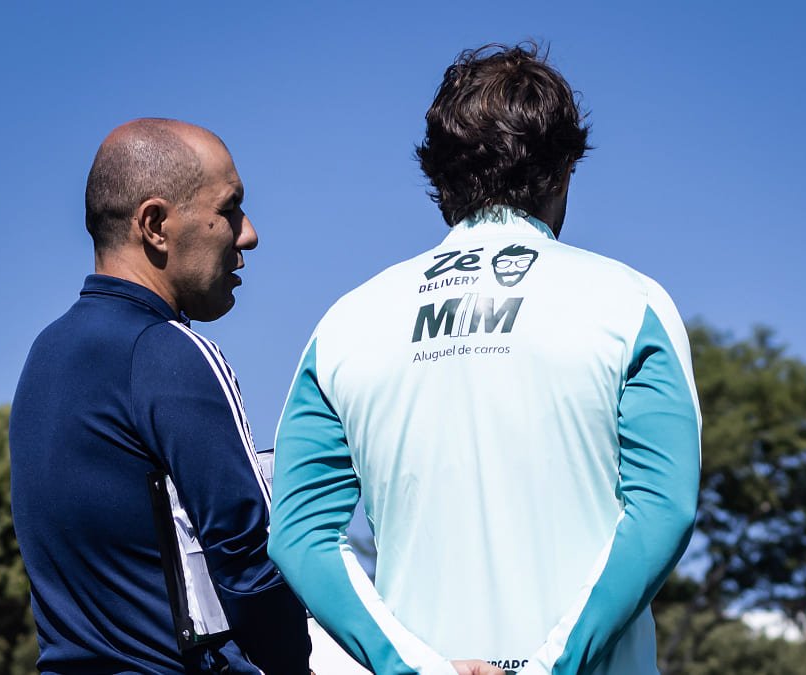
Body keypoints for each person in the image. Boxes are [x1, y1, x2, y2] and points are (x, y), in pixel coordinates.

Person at [268, 43, 701, 675]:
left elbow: (300, 536)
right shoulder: (629, 303)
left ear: (438, 181)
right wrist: (550, 665)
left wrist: (415, 667)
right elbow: (664, 509)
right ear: (562, 174)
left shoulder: (345, 324)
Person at [10, 118, 310, 674]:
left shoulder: (44, 356)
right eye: (230, 208)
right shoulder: (167, 350)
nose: (248, 234)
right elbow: (248, 562)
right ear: (154, 224)